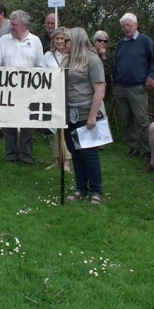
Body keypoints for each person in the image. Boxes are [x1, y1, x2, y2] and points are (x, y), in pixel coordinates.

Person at [112, 12, 154, 162]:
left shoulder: (144, 41)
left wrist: (151, 76)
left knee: (141, 120)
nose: (126, 28)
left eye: (128, 25)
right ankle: (133, 147)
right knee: (127, 120)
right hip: (120, 87)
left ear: (136, 25)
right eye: (123, 26)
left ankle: (148, 151)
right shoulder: (121, 43)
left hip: (137, 87)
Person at [0, 10, 43, 165]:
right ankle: (11, 155)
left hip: (29, 90)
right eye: (10, 24)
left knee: (28, 125)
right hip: (8, 90)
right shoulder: (4, 40)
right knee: (9, 124)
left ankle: (26, 156)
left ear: (24, 26)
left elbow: (40, 66)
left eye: (14, 25)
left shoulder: (35, 41)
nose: (11, 28)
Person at [63, 28, 106, 205]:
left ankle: (96, 190)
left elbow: (99, 90)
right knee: (75, 152)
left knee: (89, 153)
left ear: (76, 41)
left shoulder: (93, 61)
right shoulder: (67, 60)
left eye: (66, 40)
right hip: (68, 112)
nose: (63, 43)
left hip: (85, 111)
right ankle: (81, 187)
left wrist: (92, 116)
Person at [39, 27, 72, 171]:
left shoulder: (72, 56)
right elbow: (40, 71)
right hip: (50, 94)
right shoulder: (47, 55)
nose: (60, 41)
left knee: (64, 128)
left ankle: (67, 161)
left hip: (68, 95)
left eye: (63, 39)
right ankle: (56, 159)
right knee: (52, 130)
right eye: (57, 39)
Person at [92, 30, 114, 102]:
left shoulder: (108, 56)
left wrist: (103, 57)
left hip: (104, 89)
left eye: (105, 41)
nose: (102, 43)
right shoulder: (88, 54)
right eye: (99, 40)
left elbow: (107, 71)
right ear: (94, 41)